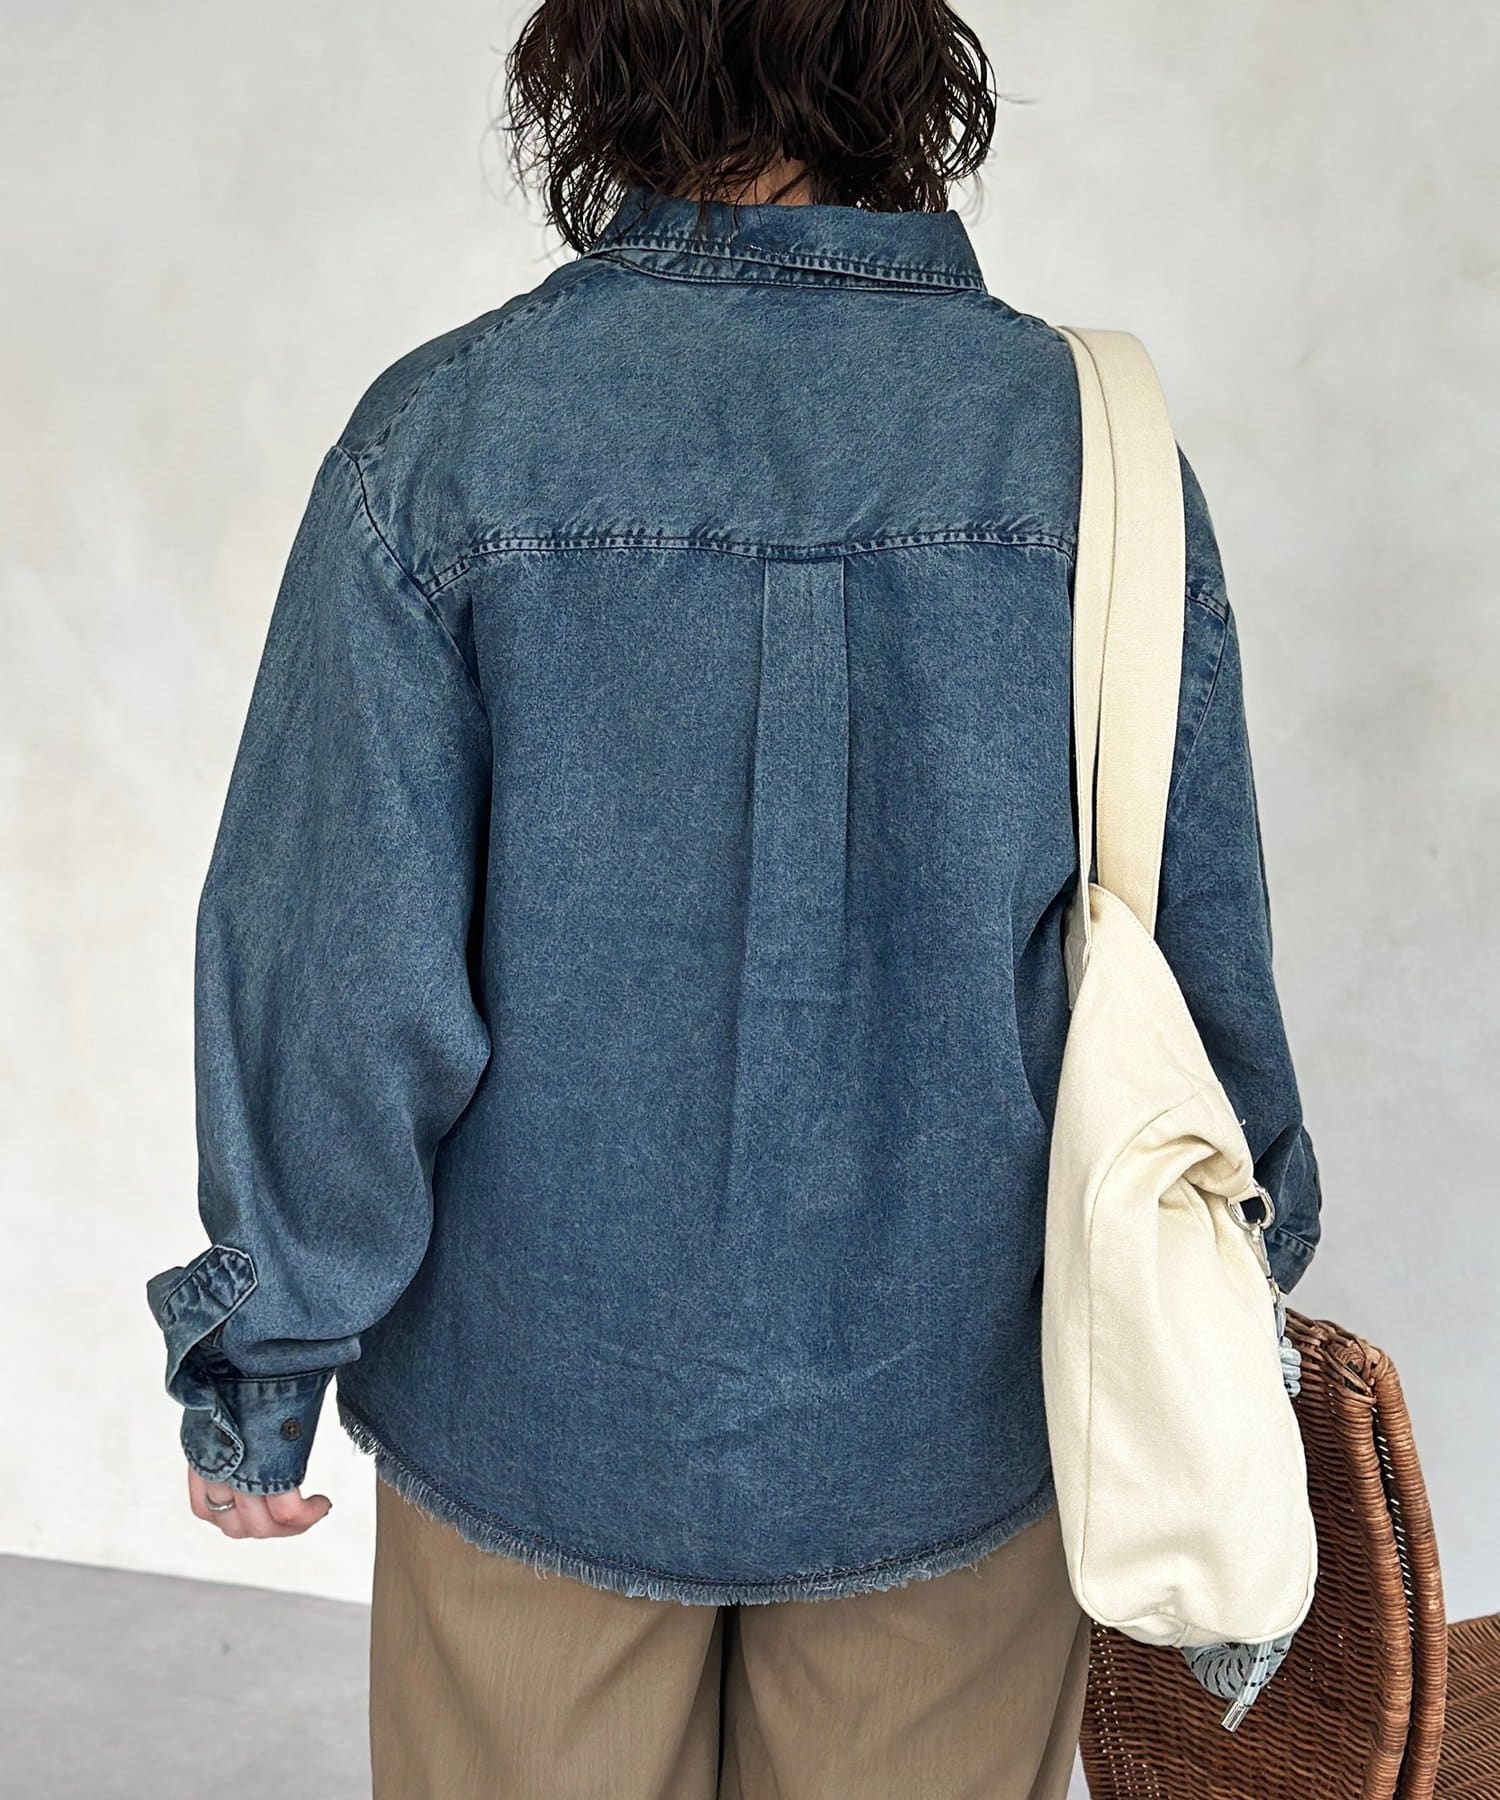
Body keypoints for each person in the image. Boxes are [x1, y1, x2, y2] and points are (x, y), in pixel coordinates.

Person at [145, 2, 1322, 1794]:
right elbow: (1196, 959)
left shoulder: (447, 443)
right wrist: (1237, 1292)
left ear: (596, 72)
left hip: (537, 1414)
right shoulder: (1092, 456)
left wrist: (263, 1354)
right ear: (904, 72)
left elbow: (338, 979)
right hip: (953, 1412)